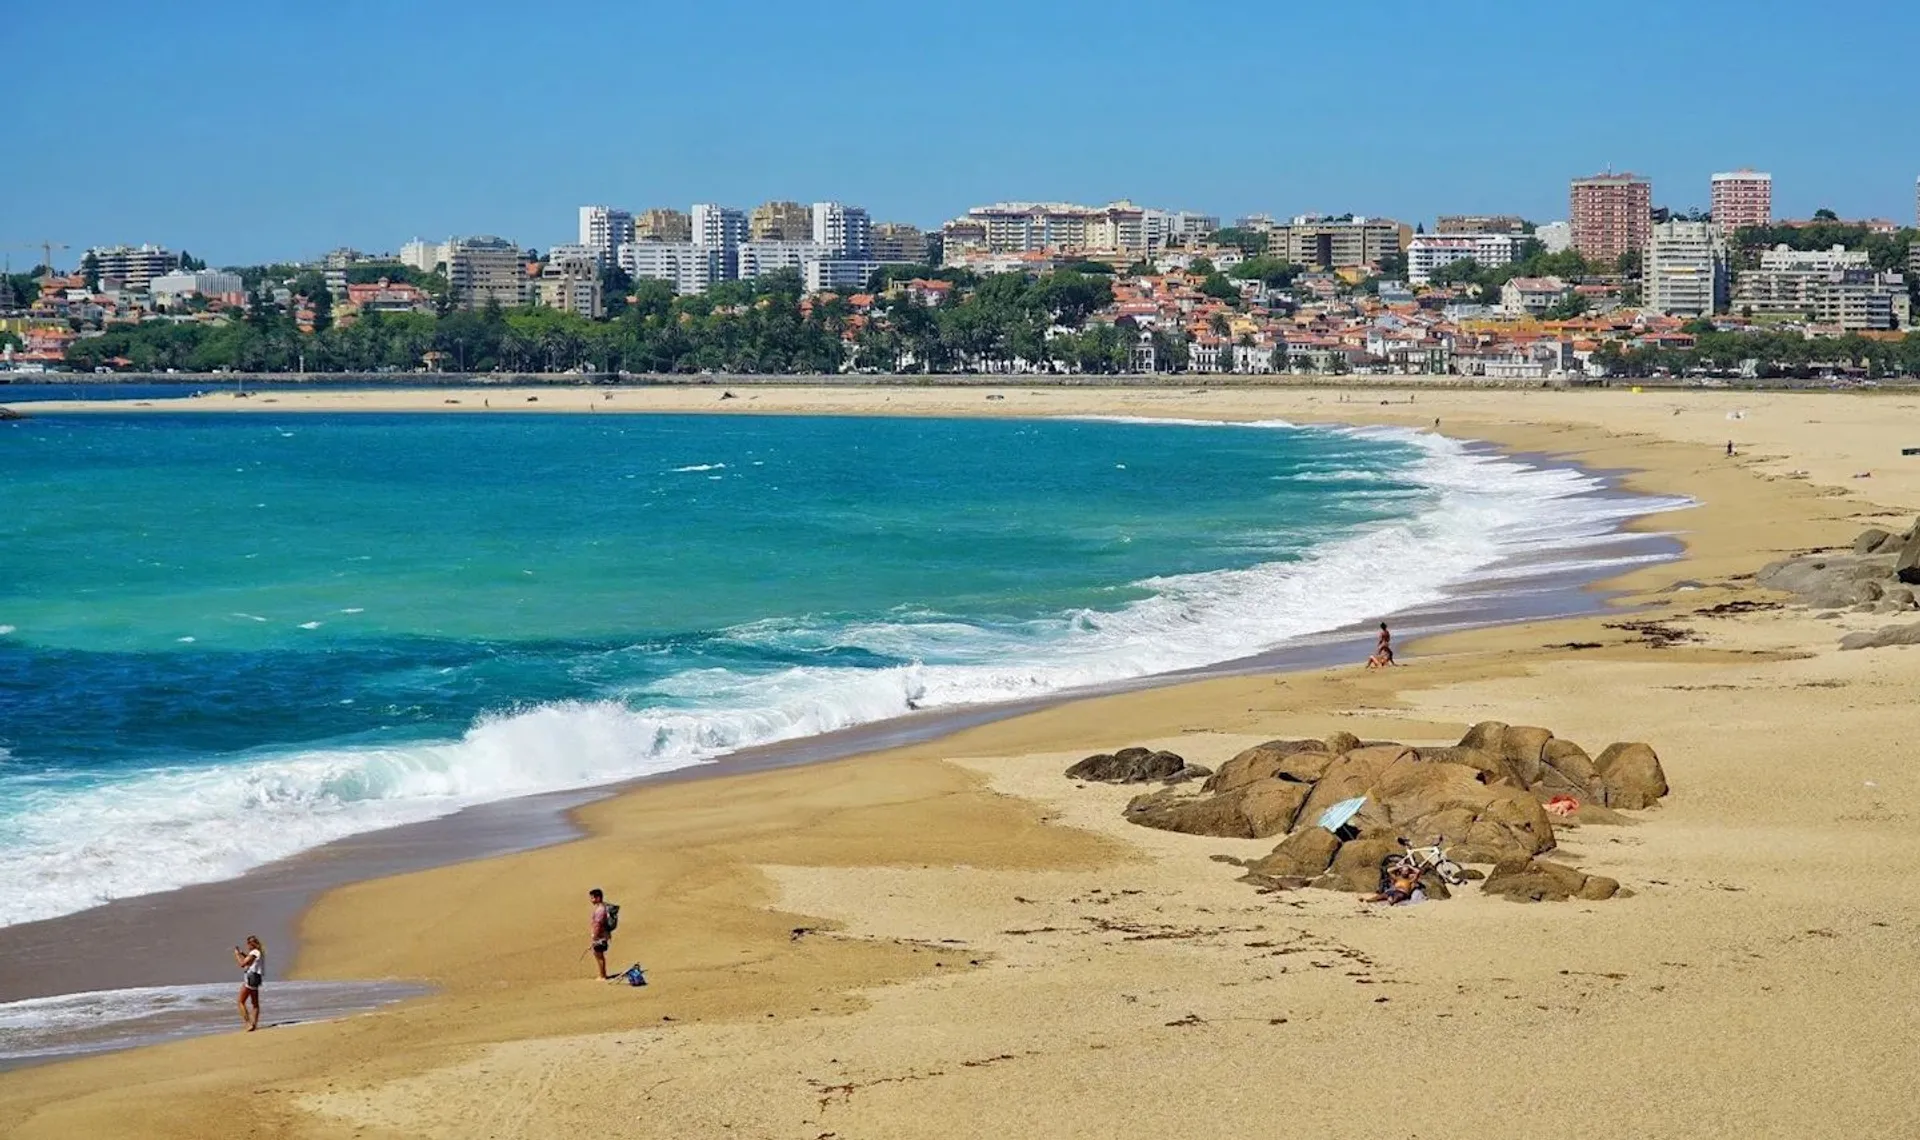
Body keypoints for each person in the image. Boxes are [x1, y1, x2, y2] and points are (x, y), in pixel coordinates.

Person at [232, 935, 265, 1031]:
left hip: (250, 978)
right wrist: (242, 953)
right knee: (255, 1004)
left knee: (240, 1002)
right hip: (256, 978)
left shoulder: (255, 952)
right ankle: (253, 1024)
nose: (247, 946)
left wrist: (237, 955)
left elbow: (243, 964)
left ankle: (248, 1023)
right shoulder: (258, 952)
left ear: (251, 944)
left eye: (248, 944)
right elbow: (251, 960)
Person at [588, 888, 613, 980]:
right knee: (599, 955)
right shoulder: (602, 908)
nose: (591, 900)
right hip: (602, 936)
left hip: (600, 937)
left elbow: (597, 924)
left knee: (599, 955)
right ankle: (602, 974)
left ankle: (602, 975)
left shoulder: (600, 910)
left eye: (592, 898)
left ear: (598, 898)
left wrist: (595, 936)